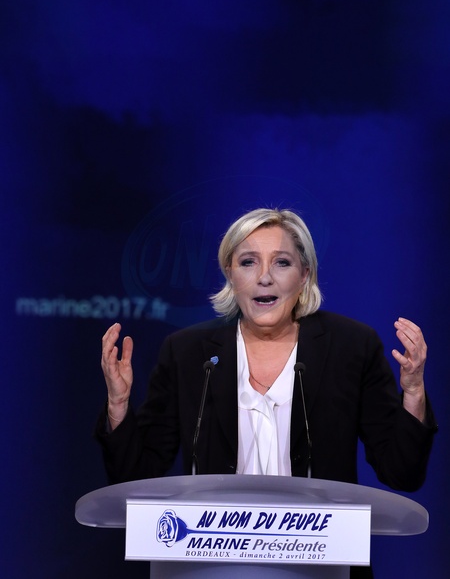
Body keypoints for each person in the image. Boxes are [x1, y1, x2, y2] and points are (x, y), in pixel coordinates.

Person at [96, 208, 436, 578]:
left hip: (321, 566)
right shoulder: (188, 353)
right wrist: (118, 404)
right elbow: (136, 474)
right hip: (210, 566)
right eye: (248, 262)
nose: (264, 277)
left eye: (281, 262)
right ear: (230, 274)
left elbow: (402, 472)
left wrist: (413, 392)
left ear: (304, 275)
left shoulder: (351, 347)